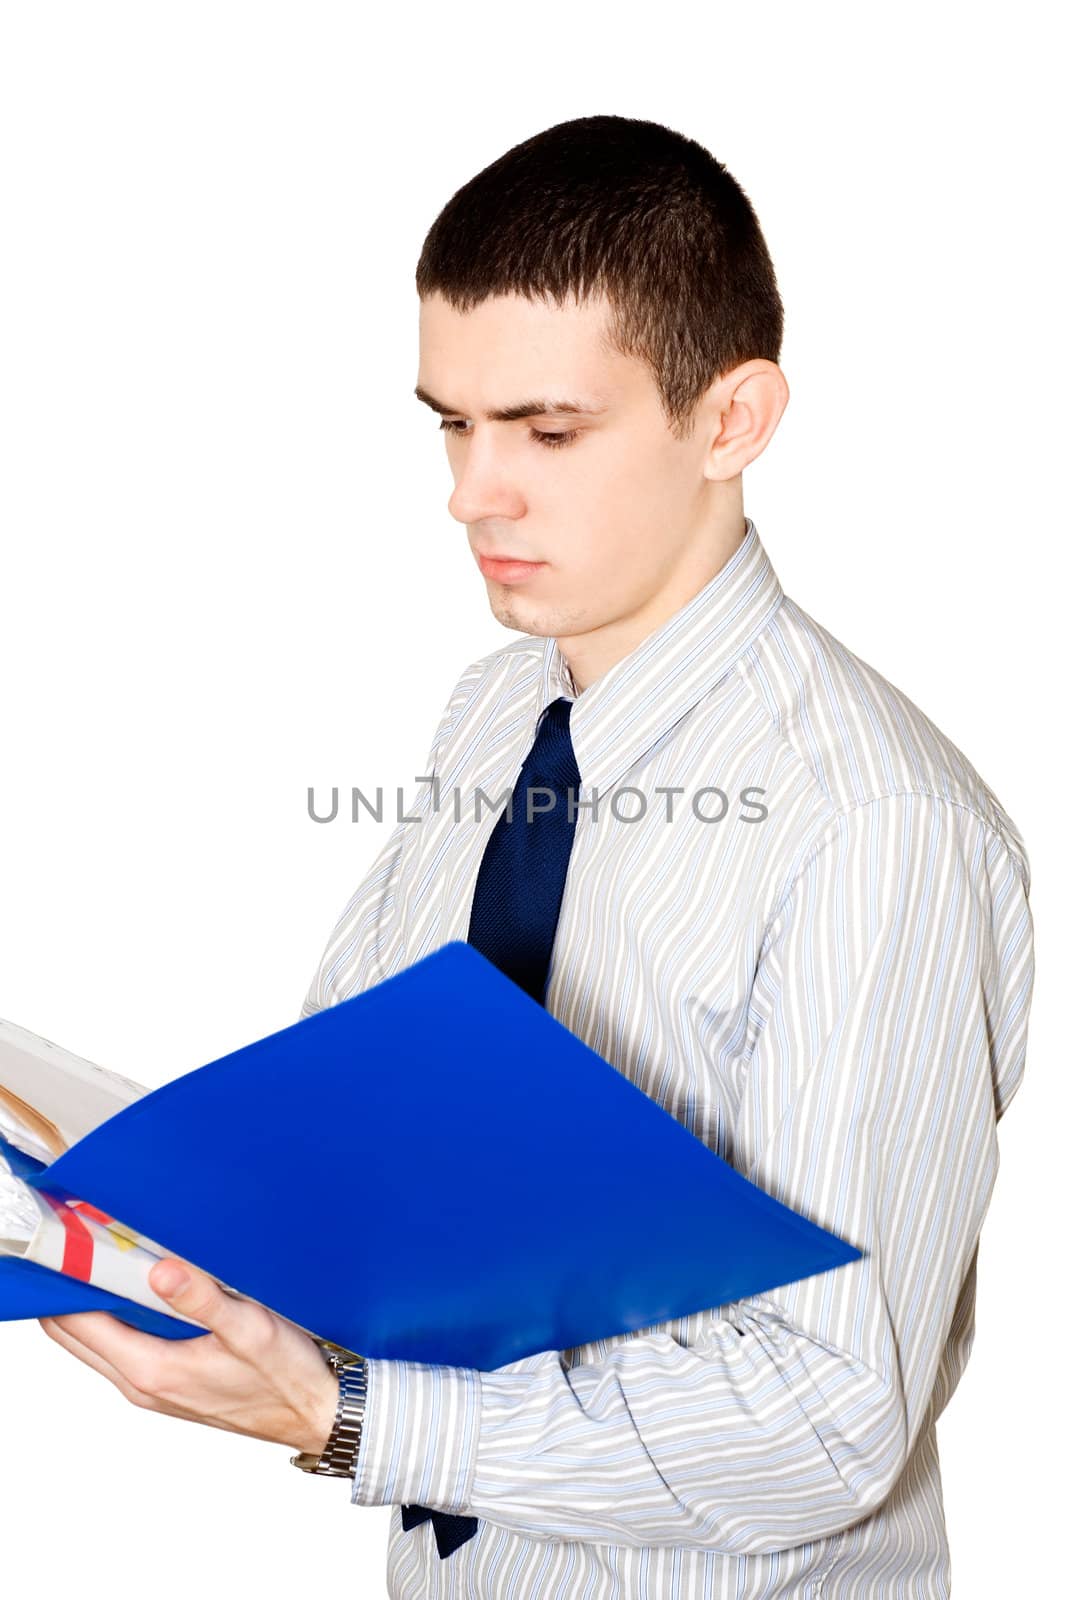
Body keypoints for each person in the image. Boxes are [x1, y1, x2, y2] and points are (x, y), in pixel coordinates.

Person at [40, 115, 1034, 1599]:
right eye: (452, 422)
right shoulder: (501, 706)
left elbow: (830, 1426)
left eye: (547, 431)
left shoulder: (871, 832)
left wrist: (350, 1418)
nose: (470, 493)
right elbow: (358, 1092)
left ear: (731, 420)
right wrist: (135, 1203)